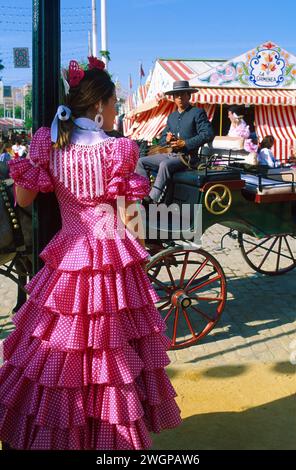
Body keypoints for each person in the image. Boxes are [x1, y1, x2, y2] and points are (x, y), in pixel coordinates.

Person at [0, 57, 181, 450]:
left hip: (70, 257)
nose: (117, 111)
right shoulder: (118, 150)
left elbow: (24, 198)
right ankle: (107, 437)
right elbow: (129, 218)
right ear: (99, 105)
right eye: (115, 103)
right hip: (112, 264)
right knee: (110, 354)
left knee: (61, 350)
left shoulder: (49, 144)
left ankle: (62, 432)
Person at [136, 80, 214, 203]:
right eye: (176, 95)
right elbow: (161, 140)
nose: (179, 97)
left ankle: (151, 200)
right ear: (173, 98)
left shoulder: (197, 113)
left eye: (183, 94)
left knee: (164, 165)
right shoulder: (171, 117)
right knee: (141, 161)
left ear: (189, 95)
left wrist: (185, 143)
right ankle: (143, 194)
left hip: (188, 158)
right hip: (170, 155)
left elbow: (208, 134)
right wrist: (166, 140)